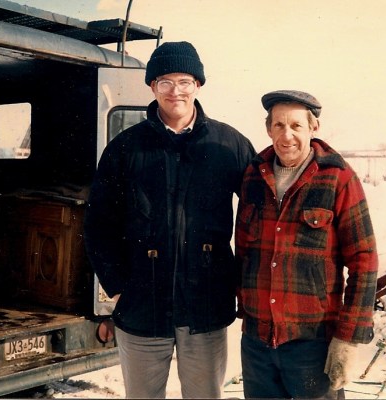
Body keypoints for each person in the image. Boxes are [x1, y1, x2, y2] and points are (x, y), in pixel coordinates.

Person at [83, 41, 256, 399]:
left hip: (205, 306)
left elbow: (263, 214)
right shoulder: (125, 148)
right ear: (152, 86)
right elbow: (98, 223)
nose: (175, 91)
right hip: (142, 306)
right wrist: (117, 285)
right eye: (165, 82)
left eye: (184, 82)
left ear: (198, 85)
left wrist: (242, 282)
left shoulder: (229, 145)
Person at [235, 90, 378, 399]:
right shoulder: (253, 176)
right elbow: (243, 251)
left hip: (312, 343)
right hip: (258, 344)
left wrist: (347, 339)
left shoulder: (338, 178)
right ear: (268, 129)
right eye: (279, 125)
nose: (287, 135)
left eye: (296, 125)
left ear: (314, 128)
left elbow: (364, 260)